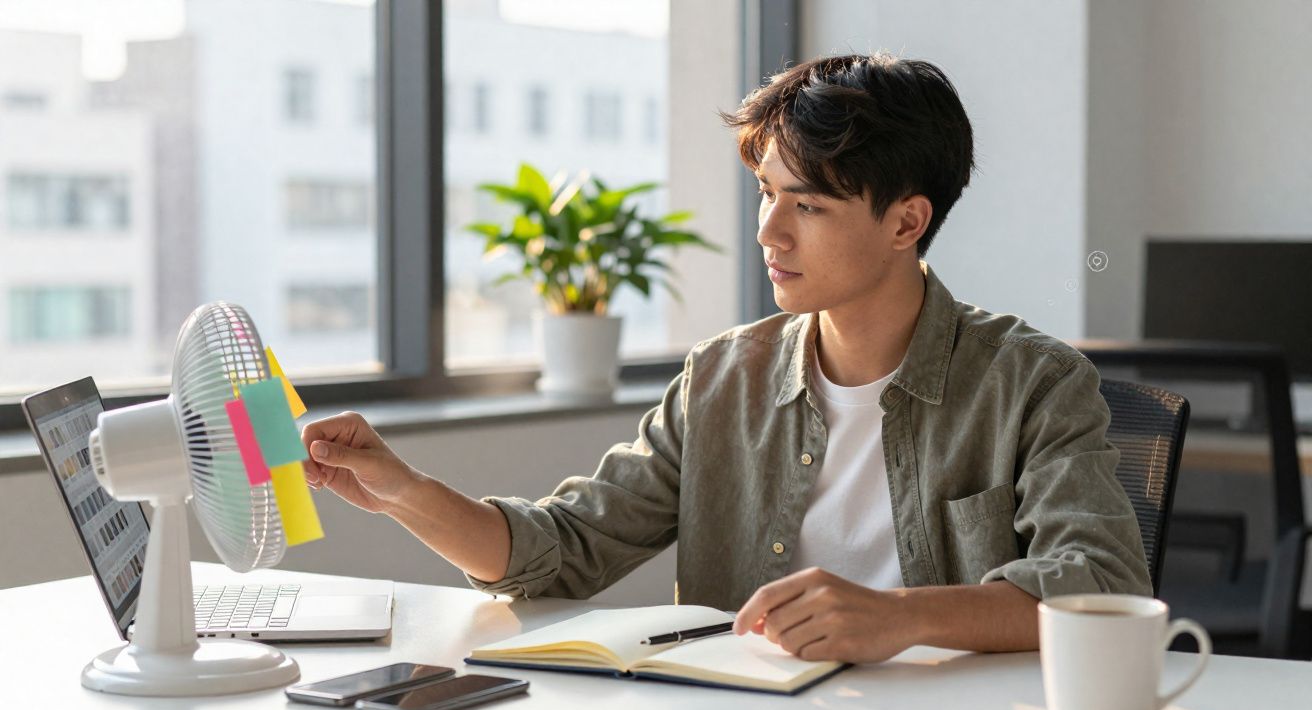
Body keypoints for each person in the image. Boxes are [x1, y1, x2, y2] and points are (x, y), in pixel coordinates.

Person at [300, 52, 1151, 665]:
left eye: (807, 206)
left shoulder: (1032, 382)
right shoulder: (719, 379)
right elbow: (561, 551)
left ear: (905, 222)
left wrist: (897, 618)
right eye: (765, 194)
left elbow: (1100, 582)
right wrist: (406, 491)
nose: (767, 233)